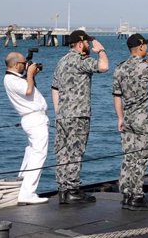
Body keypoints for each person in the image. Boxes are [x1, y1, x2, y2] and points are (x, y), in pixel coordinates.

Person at [51, 29, 109, 205]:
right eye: (87, 42)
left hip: (62, 115)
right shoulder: (80, 60)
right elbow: (104, 67)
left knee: (62, 153)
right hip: (78, 115)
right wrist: (101, 51)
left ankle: (63, 189)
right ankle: (73, 190)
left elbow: (55, 88)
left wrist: (59, 111)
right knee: (75, 152)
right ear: (80, 43)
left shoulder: (61, 62)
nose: (89, 45)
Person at [112, 33, 148, 211]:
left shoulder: (120, 69)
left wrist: (120, 117)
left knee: (129, 156)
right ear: (141, 47)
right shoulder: (147, 67)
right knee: (142, 156)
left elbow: (117, 95)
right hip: (144, 120)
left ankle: (127, 192)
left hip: (127, 118)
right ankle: (136, 195)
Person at [3, 51, 48, 205]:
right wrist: (29, 73)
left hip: (33, 118)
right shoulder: (10, 79)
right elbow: (28, 91)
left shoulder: (14, 79)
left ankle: (21, 187)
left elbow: (29, 90)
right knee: (38, 154)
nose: (25, 66)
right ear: (16, 65)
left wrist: (31, 75)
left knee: (31, 153)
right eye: (23, 64)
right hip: (34, 119)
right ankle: (27, 193)